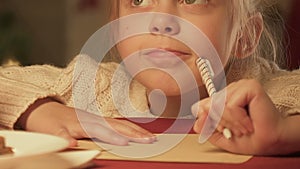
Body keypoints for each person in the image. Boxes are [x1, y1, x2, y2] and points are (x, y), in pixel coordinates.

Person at [0, 0, 299, 156]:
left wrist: (283, 134)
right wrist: (39, 110)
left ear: (245, 35)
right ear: (115, 29)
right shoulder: (96, 86)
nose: (162, 22)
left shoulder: (270, 93)